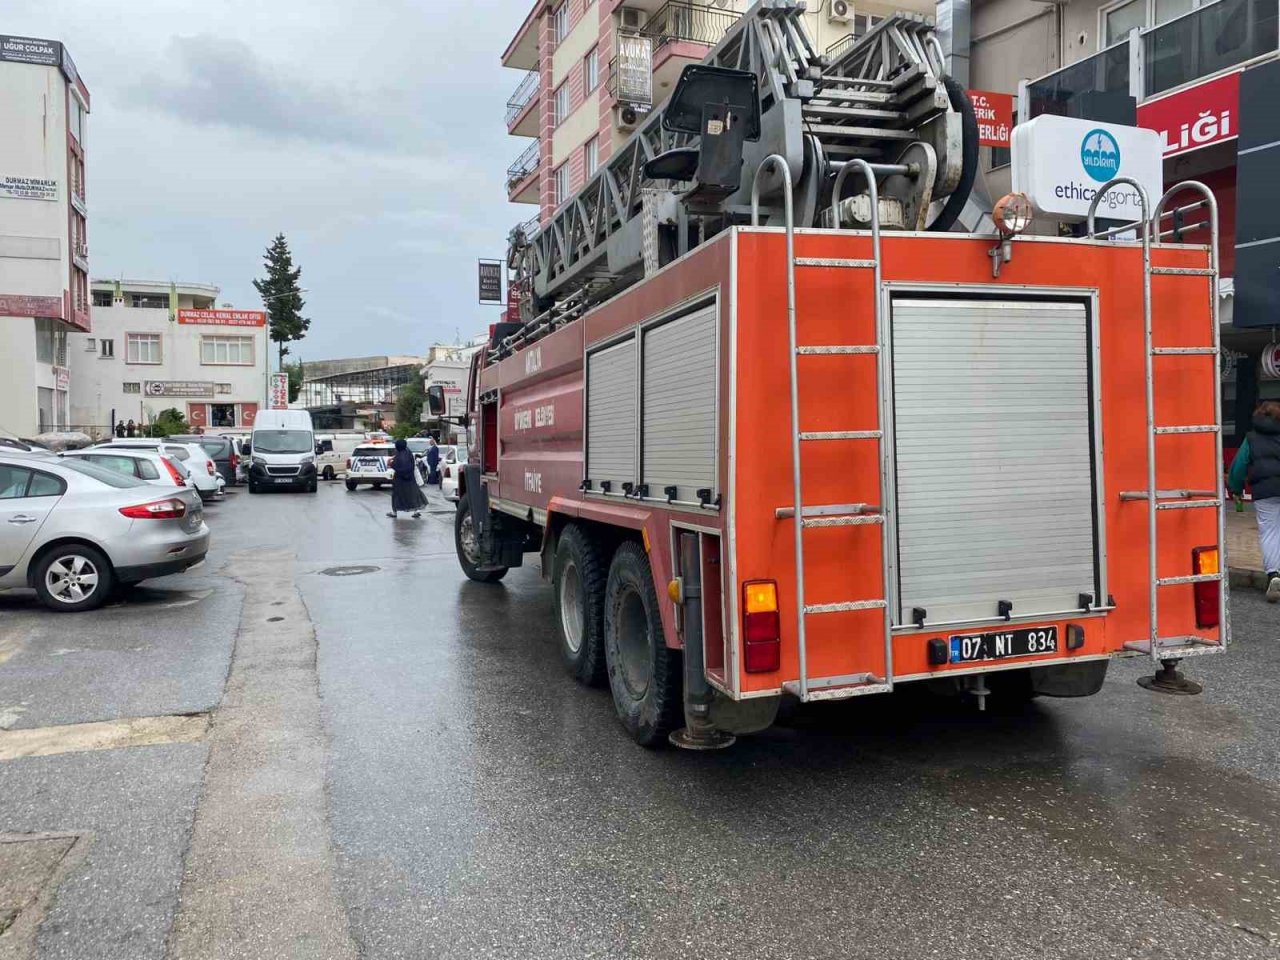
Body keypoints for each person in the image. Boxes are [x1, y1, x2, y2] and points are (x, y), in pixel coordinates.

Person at [1227, 399, 1280, 602]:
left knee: (1270, 532)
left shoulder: (1251, 438)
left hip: (1265, 491)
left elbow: (1239, 466)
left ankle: (1273, 575)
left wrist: (1236, 488)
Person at [386, 438, 426, 520]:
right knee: (413, 493)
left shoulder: (399, 455)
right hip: (410, 478)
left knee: (397, 495)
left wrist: (391, 464)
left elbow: (396, 465)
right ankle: (416, 511)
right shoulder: (408, 453)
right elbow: (411, 464)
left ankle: (394, 512)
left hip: (400, 479)